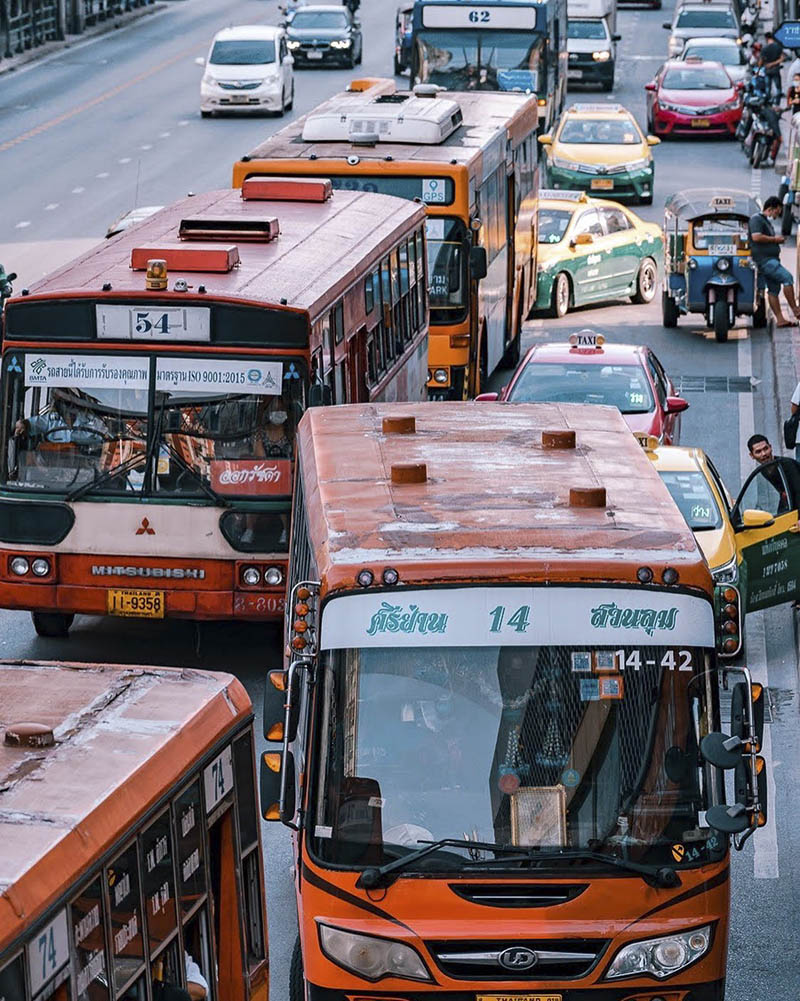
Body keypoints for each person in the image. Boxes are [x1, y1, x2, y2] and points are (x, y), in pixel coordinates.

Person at [748, 196, 800, 327]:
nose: (778, 215)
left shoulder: (766, 221)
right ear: (770, 209)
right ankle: (795, 310)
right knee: (788, 278)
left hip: (771, 259)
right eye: (777, 211)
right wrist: (775, 240)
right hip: (766, 261)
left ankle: (780, 319)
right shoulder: (756, 219)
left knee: (773, 290)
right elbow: (756, 237)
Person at [747, 433, 800, 512]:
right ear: (752, 455)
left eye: (766, 449)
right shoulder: (763, 471)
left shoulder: (787, 465)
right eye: (758, 452)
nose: (764, 454)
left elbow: (798, 490)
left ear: (770, 447)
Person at [760, 30, 785, 100]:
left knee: (768, 88)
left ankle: (768, 102)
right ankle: (777, 103)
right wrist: (774, 63)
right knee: (778, 88)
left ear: (766, 38)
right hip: (776, 70)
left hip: (767, 70)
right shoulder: (778, 47)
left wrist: (760, 69)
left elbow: (761, 61)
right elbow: (782, 58)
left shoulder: (764, 49)